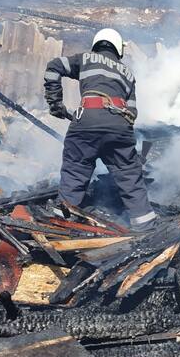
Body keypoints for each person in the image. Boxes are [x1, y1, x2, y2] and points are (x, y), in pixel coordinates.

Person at [43, 28, 157, 230]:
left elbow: (54, 67)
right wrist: (123, 142)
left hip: (87, 121)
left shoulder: (86, 59)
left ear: (97, 44)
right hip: (119, 125)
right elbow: (132, 112)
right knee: (130, 176)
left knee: (75, 172)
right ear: (117, 48)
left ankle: (60, 224)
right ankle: (145, 226)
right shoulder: (128, 74)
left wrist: (55, 104)